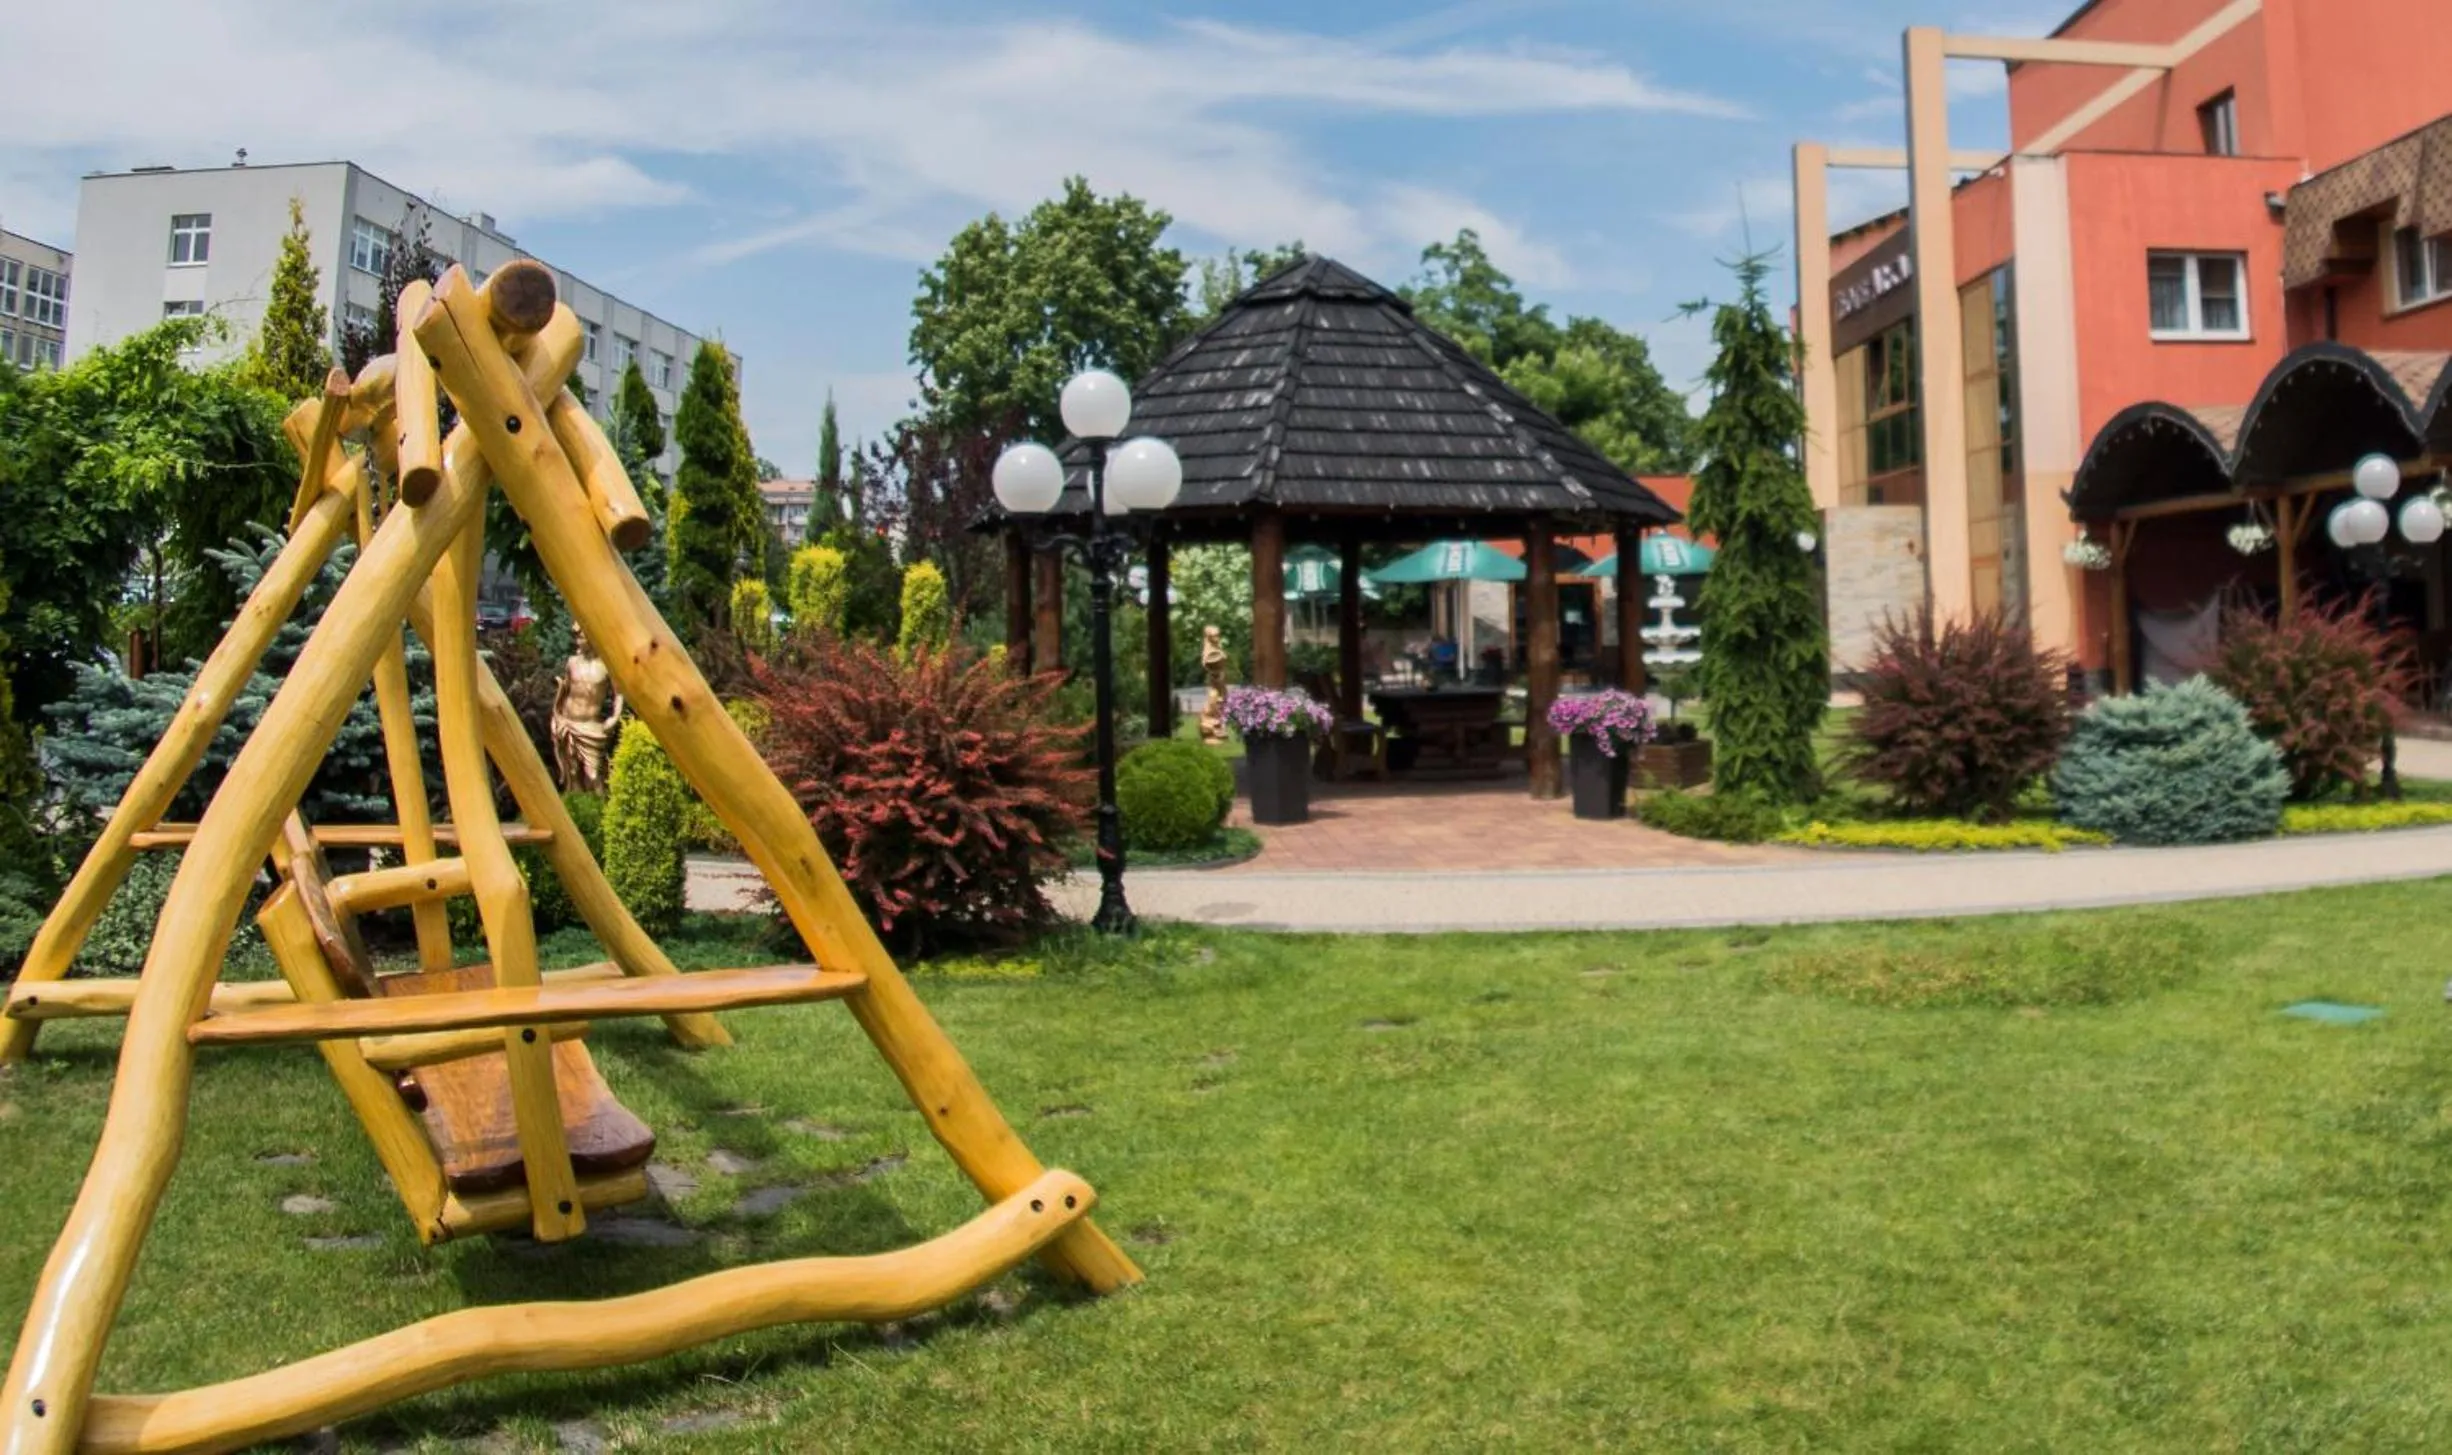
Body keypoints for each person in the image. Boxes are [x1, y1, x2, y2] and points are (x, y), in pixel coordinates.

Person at [550, 625, 625, 794]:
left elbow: (619, 693)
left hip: (591, 727)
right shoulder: (572, 663)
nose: (577, 639)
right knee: (573, 772)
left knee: (593, 774)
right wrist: (557, 717)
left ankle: (601, 813)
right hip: (567, 723)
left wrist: (614, 717)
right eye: (576, 636)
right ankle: (576, 810)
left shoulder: (606, 666)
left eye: (581, 636)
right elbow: (565, 690)